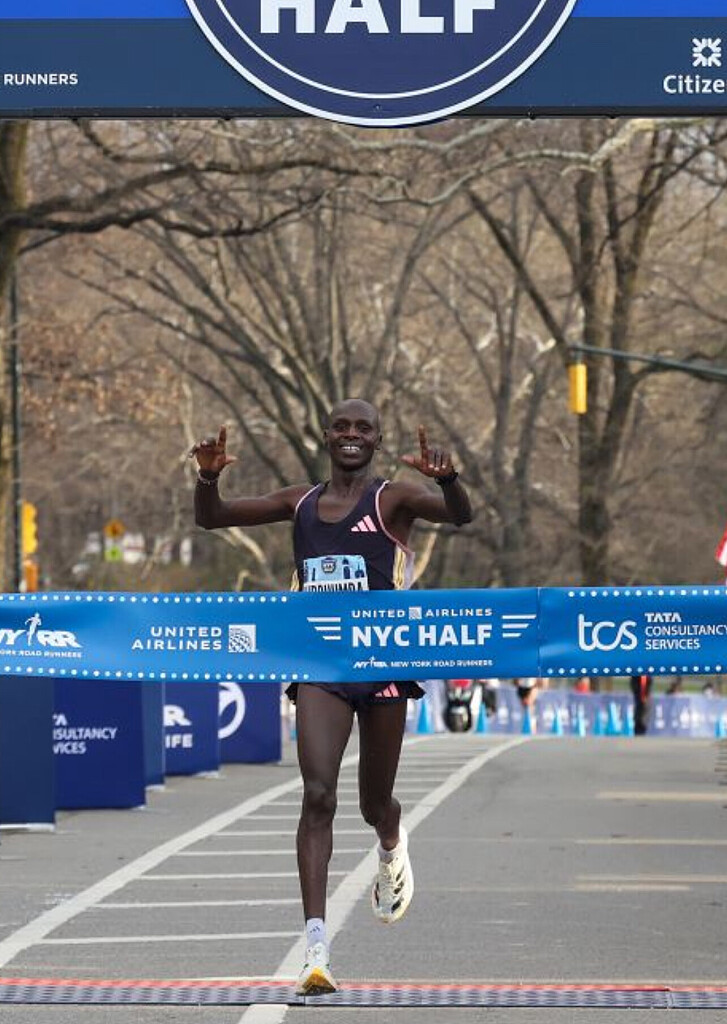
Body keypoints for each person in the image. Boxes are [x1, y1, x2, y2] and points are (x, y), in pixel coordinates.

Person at [192, 399, 473, 995]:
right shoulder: (299, 502)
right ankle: (315, 948)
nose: (351, 435)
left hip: (385, 665)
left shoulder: (393, 500)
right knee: (318, 795)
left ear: (376, 440)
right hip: (320, 665)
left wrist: (448, 479)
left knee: (374, 803)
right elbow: (211, 519)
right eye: (341, 426)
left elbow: (459, 515)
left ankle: (391, 842)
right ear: (326, 436)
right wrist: (208, 477)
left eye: (362, 428)